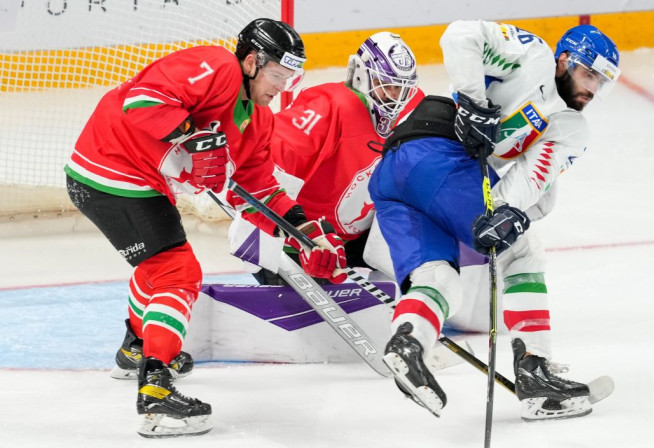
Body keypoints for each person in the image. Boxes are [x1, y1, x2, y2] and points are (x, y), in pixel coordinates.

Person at [64, 18, 348, 438]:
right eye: (276, 75)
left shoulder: (260, 121)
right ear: (251, 61)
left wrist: (306, 232)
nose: (281, 87)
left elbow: (260, 190)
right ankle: (156, 394)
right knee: (177, 273)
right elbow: (141, 100)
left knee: (158, 265)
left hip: (140, 183)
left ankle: (135, 348)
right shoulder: (216, 67)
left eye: (290, 78)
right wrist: (192, 135)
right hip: (111, 170)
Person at [368, 20, 621, 420]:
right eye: (589, 74)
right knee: (523, 254)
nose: (592, 89)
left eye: (601, 83)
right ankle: (536, 373)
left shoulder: (569, 126)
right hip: (436, 157)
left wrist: (503, 213)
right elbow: (459, 35)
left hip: (394, 176)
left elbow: (533, 183)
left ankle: (408, 345)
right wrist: (471, 100)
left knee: (438, 277)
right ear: (565, 61)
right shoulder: (532, 55)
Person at [230, 31, 422, 285]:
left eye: (402, 88)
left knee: (422, 260)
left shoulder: (413, 107)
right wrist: (304, 235)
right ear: (361, 76)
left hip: (358, 236)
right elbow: (263, 170)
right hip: (299, 239)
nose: (395, 97)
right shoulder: (327, 107)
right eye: (387, 85)